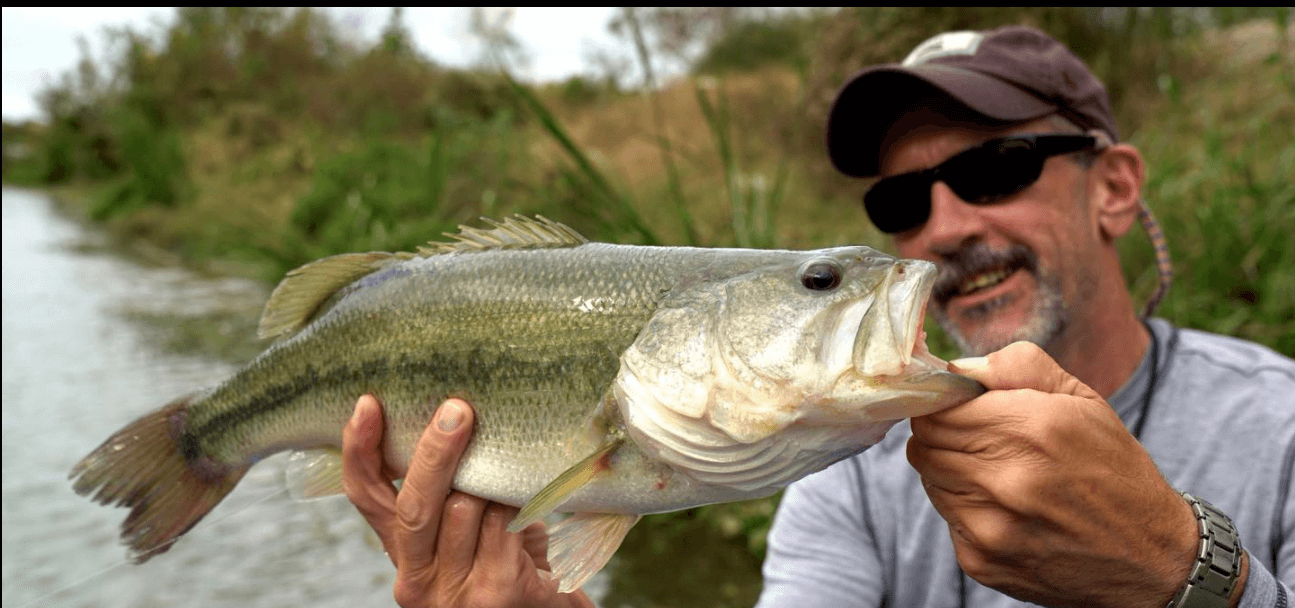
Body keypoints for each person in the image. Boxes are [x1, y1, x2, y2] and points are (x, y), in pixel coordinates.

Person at [340, 25, 1295, 608]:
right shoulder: (845, 468)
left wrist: (1184, 577)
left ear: (1116, 188)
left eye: (990, 170)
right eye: (900, 204)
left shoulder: (1279, 428)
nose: (943, 228)